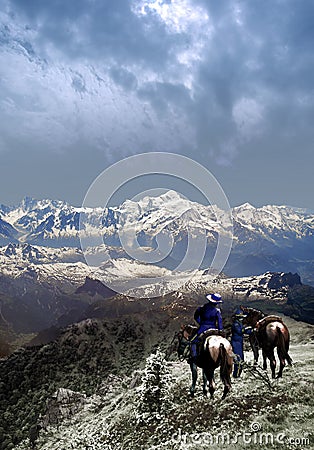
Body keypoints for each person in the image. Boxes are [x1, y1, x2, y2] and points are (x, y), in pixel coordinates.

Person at [190, 293, 224, 360]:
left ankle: (194, 357)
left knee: (193, 341)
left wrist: (201, 323)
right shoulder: (217, 311)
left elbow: (196, 317)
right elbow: (220, 322)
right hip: (214, 329)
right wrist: (220, 330)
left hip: (203, 328)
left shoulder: (201, 308)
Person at [231, 307, 252, 378]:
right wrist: (247, 329)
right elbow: (240, 331)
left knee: (241, 358)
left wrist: (251, 331)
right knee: (238, 358)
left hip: (239, 342)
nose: (242, 318)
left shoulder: (239, 323)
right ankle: (236, 374)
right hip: (236, 342)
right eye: (240, 317)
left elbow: (244, 331)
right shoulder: (235, 324)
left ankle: (238, 373)